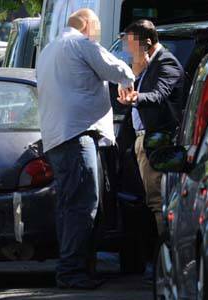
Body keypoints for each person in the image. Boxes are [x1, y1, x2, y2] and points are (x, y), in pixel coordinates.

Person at [36, 8, 135, 289]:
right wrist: (127, 84)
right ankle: (72, 272)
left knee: (69, 206)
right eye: (98, 30)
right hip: (78, 135)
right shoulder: (82, 44)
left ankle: (77, 268)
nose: (98, 36)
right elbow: (120, 70)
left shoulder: (49, 49)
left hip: (57, 138)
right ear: (89, 25)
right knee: (83, 204)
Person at [117, 19, 185, 281]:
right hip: (142, 140)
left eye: (131, 44)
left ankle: (165, 264)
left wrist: (135, 97)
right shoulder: (146, 65)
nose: (127, 49)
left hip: (157, 141)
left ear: (147, 43)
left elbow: (158, 95)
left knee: (159, 203)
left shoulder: (166, 63)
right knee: (149, 202)